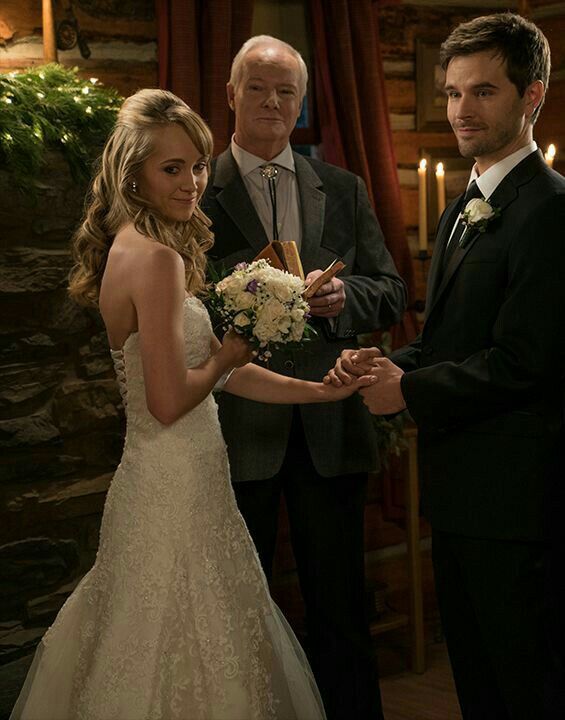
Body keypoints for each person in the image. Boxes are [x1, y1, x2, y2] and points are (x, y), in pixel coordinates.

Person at [9, 89, 378, 720]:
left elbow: (220, 378)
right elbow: (171, 398)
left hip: (167, 475)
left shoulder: (134, 246)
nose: (191, 182)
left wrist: (318, 391)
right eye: (171, 168)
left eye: (198, 165)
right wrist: (229, 354)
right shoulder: (155, 261)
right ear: (133, 174)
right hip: (176, 477)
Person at [326, 13, 565, 720]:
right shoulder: (464, 205)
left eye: (483, 91)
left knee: (526, 685)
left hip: (520, 500)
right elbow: (446, 340)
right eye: (453, 91)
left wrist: (408, 392)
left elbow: (529, 364)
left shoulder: (550, 211)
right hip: (462, 492)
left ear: (532, 96)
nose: (461, 109)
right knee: (478, 680)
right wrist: (381, 365)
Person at [201, 35, 407, 720]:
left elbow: (389, 289)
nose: (271, 101)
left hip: (328, 422)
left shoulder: (341, 188)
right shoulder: (194, 185)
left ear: (302, 101)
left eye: (285, 90)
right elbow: (177, 303)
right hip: (236, 426)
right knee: (240, 604)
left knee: (340, 603)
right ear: (231, 94)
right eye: (256, 87)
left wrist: (346, 299)